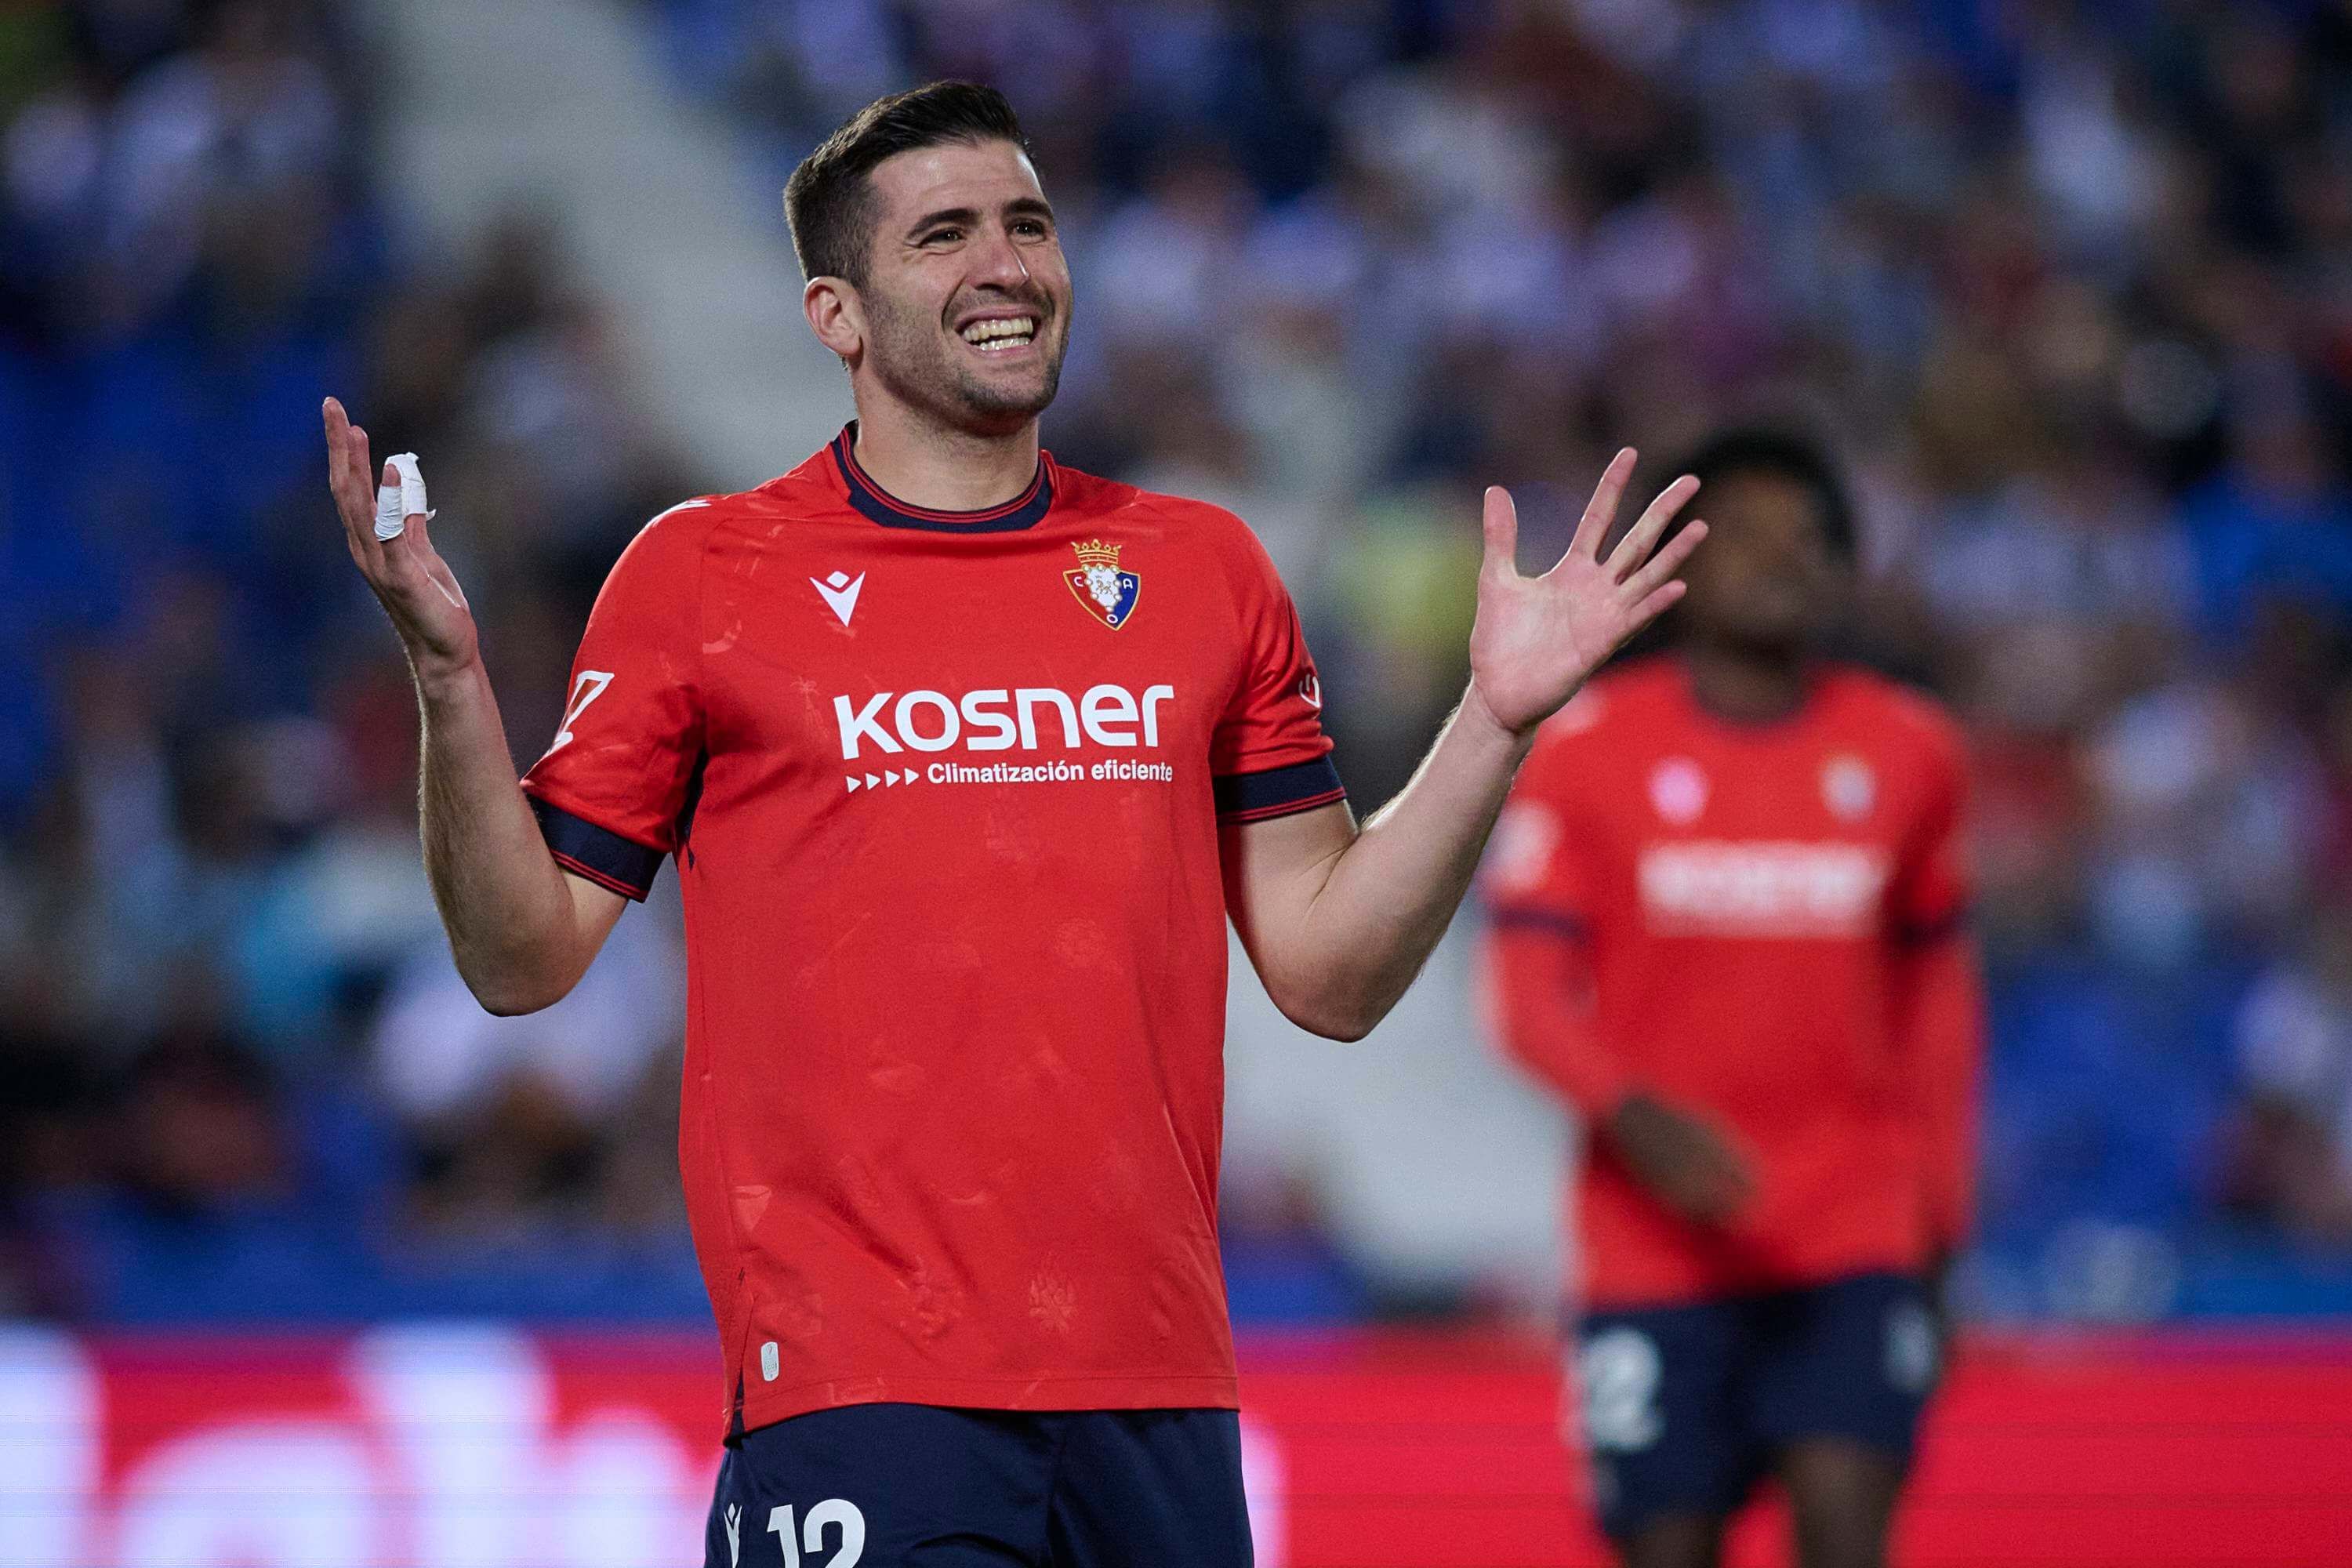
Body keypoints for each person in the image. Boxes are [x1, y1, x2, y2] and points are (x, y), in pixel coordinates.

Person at [321, 82, 1706, 1567]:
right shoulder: (704, 576)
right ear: (836, 315)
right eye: (944, 236)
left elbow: (1331, 972)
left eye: (1027, 223)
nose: (1006, 263)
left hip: (1158, 1391)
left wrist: (1494, 720)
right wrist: (451, 677)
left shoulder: (1202, 569)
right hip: (860, 1380)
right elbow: (520, 958)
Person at [1481, 430, 1984, 1568]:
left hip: (1853, 1231)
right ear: (1684, 569)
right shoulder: (1586, 749)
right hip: (1657, 1245)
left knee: (1850, 1541)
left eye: (1809, 540)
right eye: (1747, 536)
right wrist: (1634, 1115)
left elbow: (1939, 1012)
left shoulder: (1911, 752)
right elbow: (1524, 997)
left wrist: (1941, 1225)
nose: (1780, 560)